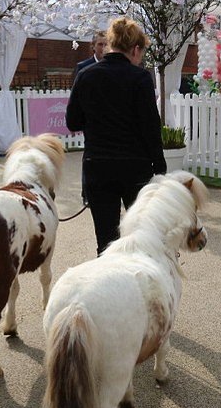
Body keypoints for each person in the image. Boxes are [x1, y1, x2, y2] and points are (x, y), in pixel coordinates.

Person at [67, 17, 166, 255]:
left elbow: (73, 122)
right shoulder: (140, 78)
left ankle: (109, 289)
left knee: (106, 242)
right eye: (141, 52)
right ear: (135, 49)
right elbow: (151, 127)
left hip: (98, 166)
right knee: (140, 237)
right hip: (135, 168)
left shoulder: (86, 75)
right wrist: (160, 168)